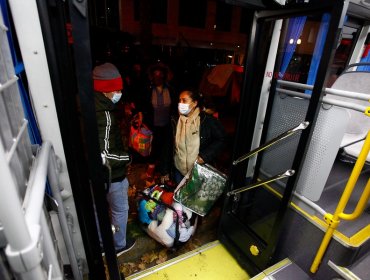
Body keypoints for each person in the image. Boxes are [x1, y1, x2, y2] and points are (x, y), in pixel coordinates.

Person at [93, 62, 136, 256]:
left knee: (97, 209)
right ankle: (118, 245)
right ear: (105, 90)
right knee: (119, 210)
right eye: (116, 89)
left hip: (93, 174)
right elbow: (105, 155)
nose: (119, 92)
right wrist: (127, 157)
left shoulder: (88, 105)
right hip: (111, 175)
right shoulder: (105, 116)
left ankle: (100, 243)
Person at [173, 89, 226, 184]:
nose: (181, 103)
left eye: (184, 100)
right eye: (179, 100)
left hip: (199, 172)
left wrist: (204, 156)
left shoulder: (206, 120)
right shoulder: (176, 120)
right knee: (180, 197)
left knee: (195, 198)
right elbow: (169, 145)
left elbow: (221, 139)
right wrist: (164, 170)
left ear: (194, 103)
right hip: (179, 170)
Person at [138, 64, 178, 181]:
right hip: (152, 126)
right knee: (153, 149)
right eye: (155, 75)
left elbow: (175, 105)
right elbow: (142, 103)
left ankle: (164, 173)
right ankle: (150, 172)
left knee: (166, 149)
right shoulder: (148, 89)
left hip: (167, 125)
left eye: (160, 75)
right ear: (152, 76)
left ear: (164, 76)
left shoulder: (170, 89)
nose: (158, 77)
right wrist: (140, 113)